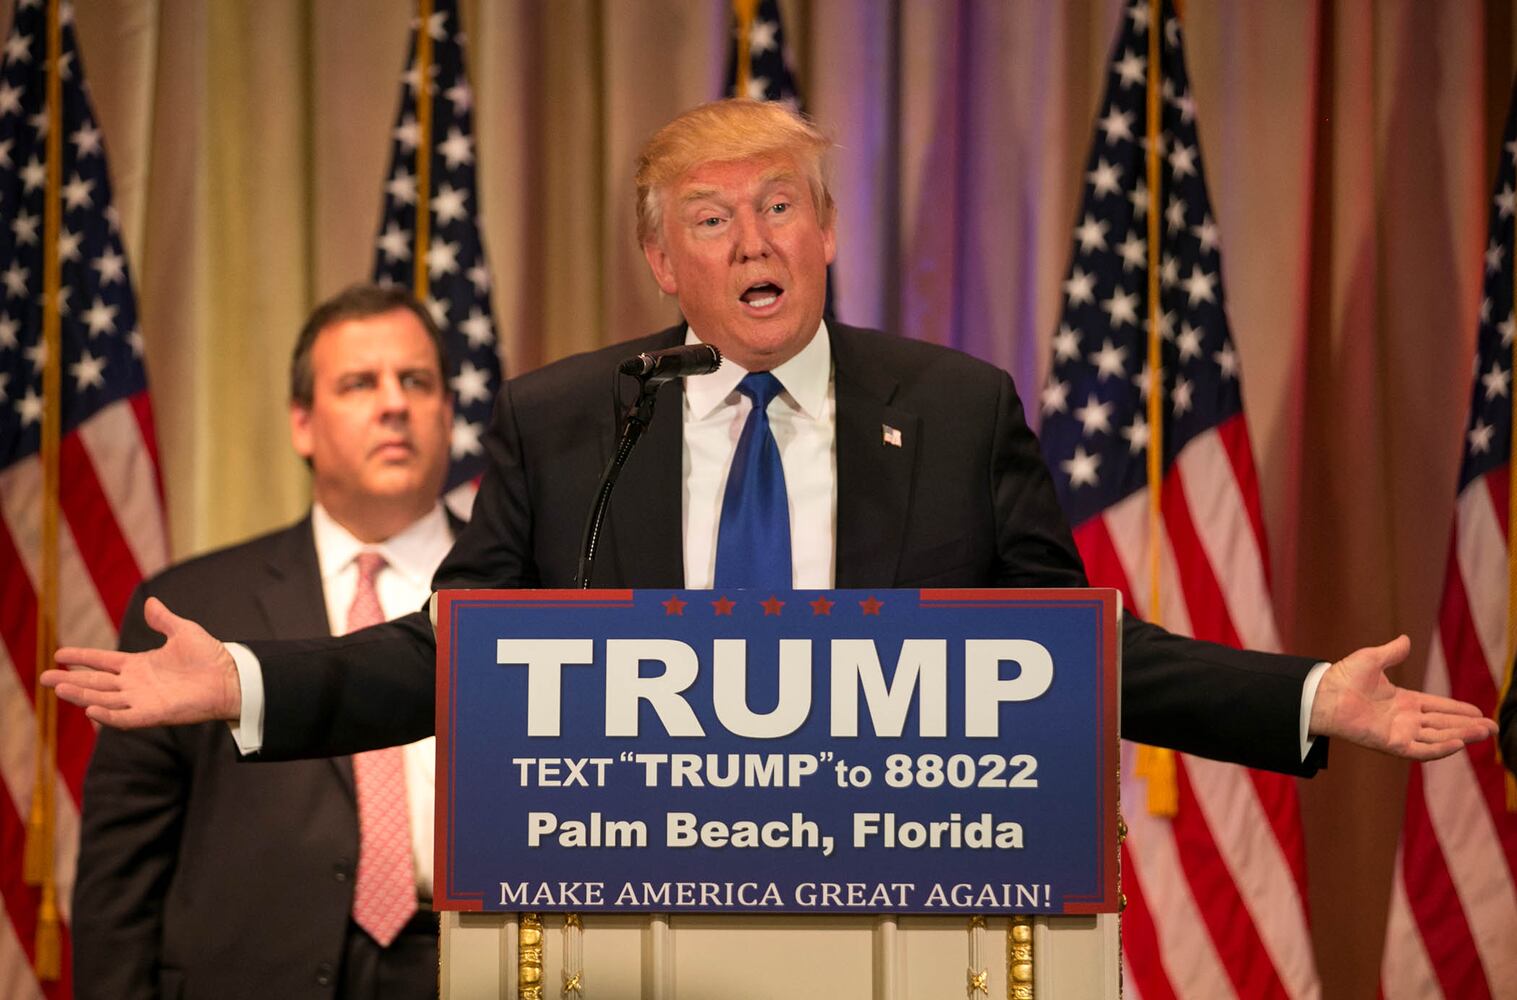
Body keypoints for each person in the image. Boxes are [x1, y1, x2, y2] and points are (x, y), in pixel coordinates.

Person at [45, 100, 1494, 782]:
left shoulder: (953, 408)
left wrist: (1309, 699)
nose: (754, 241)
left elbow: (1077, 652)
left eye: (780, 207)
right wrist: (242, 679)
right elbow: (453, 654)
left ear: (828, 231)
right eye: (712, 219)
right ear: (661, 263)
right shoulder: (566, 422)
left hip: (889, 902)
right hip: (634, 899)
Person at [71, 285, 459, 1000]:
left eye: (416, 381)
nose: (393, 404)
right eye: (359, 384)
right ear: (302, 424)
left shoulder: (525, 595)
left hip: (465, 966)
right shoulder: (193, 608)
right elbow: (121, 871)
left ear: (449, 412)